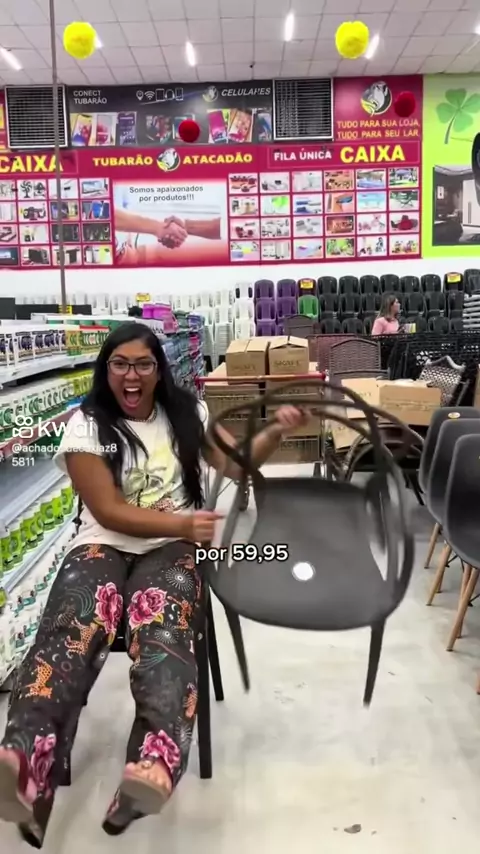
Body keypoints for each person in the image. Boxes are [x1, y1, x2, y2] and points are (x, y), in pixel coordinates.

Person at [0, 322, 308, 846]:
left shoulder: (188, 415)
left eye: (143, 363)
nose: (132, 375)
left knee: (163, 629)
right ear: (106, 371)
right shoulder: (87, 427)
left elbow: (237, 465)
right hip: (103, 542)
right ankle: (26, 761)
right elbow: (107, 511)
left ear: (159, 370)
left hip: (171, 549)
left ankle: (151, 765)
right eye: (120, 364)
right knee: (73, 622)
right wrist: (184, 523)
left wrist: (275, 430)